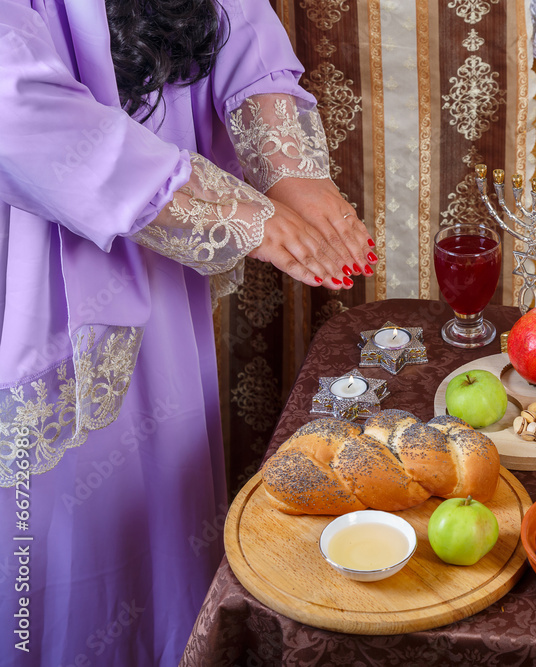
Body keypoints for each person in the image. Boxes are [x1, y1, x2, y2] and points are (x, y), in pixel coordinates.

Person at [0, 1, 375, 664]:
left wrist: (291, 172)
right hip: (40, 269)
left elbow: (237, 21)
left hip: (160, 269)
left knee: (166, 503)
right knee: (59, 532)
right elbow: (18, 107)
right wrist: (234, 211)